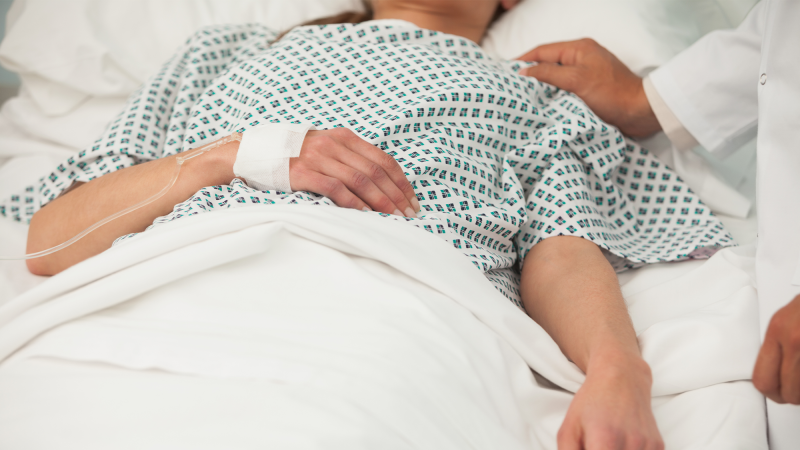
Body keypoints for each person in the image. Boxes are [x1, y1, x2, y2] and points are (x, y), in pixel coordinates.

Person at [1, 1, 744, 448]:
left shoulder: (539, 95)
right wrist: (232, 157)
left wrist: (619, 372)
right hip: (158, 296)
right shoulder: (223, 53)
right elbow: (47, 241)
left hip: (391, 311)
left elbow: (560, 248)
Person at [515, 0, 800, 447]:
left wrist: (617, 368)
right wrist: (646, 99)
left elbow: (561, 231)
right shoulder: (359, 51)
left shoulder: (528, 85)